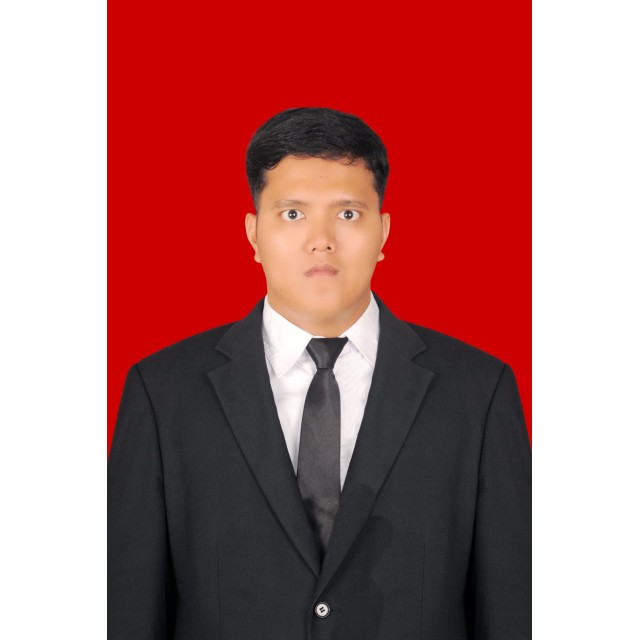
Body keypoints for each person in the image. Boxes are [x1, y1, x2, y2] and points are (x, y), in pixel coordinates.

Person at [108, 107, 531, 639]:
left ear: (384, 231)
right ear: (253, 233)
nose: (321, 239)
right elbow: (128, 606)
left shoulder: (478, 391)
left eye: (348, 213)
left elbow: (513, 605)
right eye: (292, 214)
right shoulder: (163, 393)